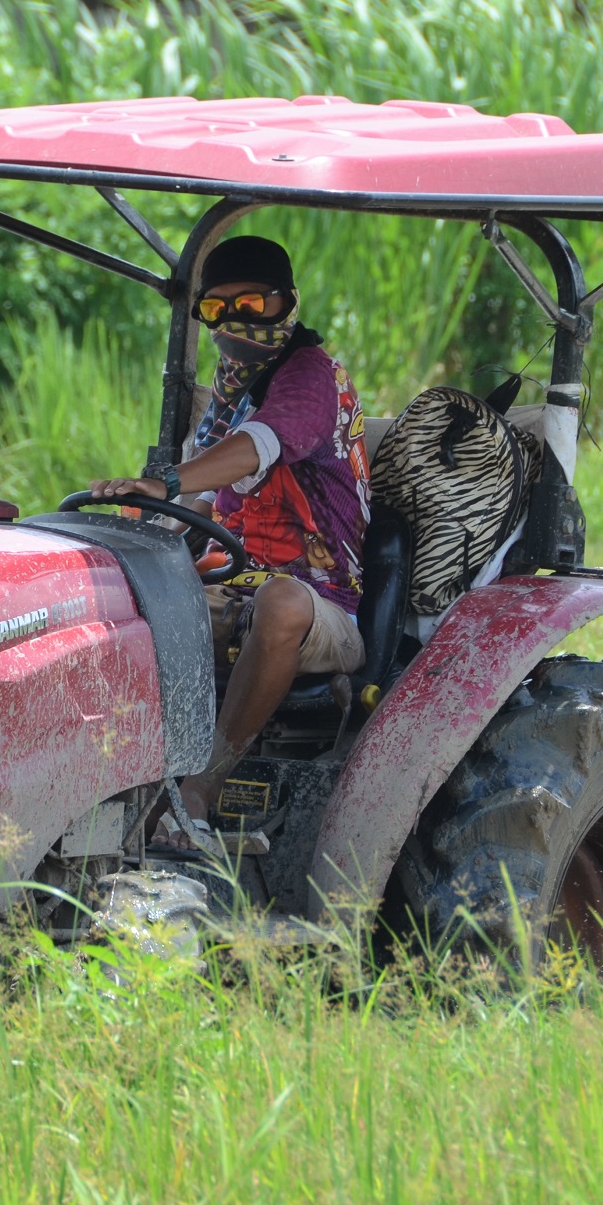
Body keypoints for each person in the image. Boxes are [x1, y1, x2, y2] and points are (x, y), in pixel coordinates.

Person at [91, 235, 370, 849]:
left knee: (282, 603)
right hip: (230, 577)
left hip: (322, 603)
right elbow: (198, 502)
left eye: (251, 303)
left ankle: (197, 793)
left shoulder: (311, 378)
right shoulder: (231, 383)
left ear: (287, 303)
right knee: (106, 596)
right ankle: (98, 781)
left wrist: (165, 482)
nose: (234, 320)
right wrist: (150, 537)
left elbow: (255, 448)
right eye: (215, 309)